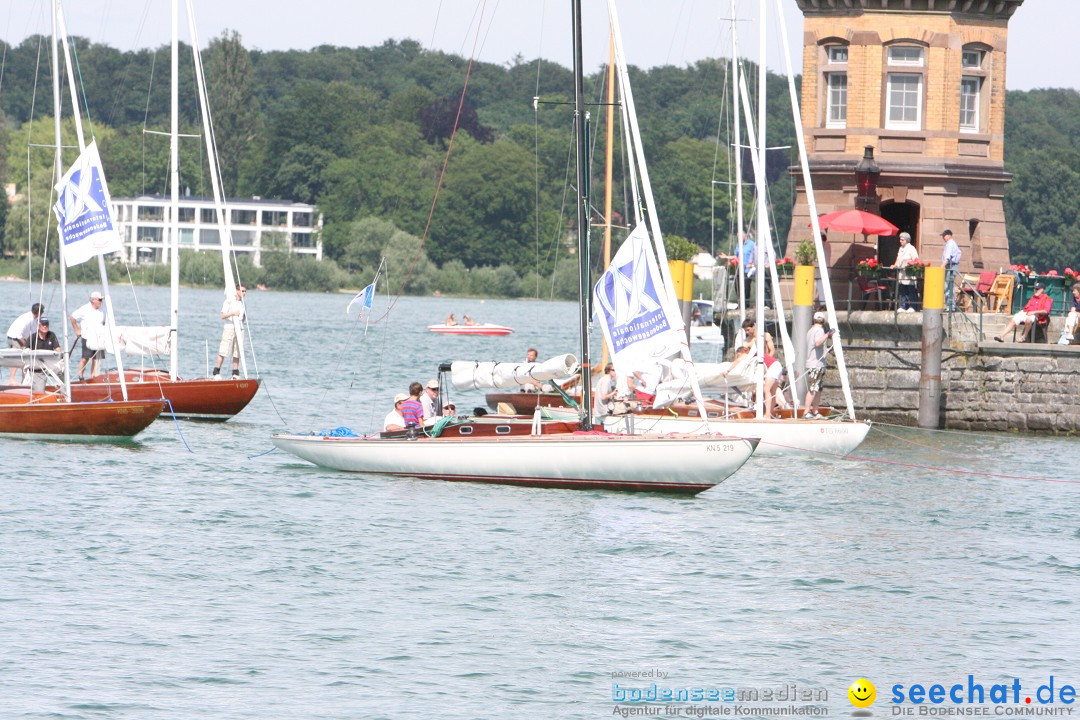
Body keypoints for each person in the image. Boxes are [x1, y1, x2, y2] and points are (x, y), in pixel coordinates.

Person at [802, 311, 835, 419]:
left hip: (818, 363)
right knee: (813, 388)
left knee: (818, 389)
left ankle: (815, 411)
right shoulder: (819, 330)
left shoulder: (811, 330)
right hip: (815, 364)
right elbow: (817, 343)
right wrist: (828, 334)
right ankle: (807, 411)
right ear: (823, 321)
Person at [212, 285, 247, 379]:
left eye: (245, 291)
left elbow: (243, 317)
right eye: (242, 291)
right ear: (237, 291)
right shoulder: (229, 301)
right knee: (224, 350)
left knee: (237, 351)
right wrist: (233, 313)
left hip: (240, 329)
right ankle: (216, 371)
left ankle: (235, 373)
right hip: (229, 328)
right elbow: (222, 316)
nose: (244, 293)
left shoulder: (242, 303)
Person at [70, 290, 106, 380]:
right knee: (85, 358)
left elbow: (105, 322)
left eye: (101, 300)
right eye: (100, 300)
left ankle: (94, 376)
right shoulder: (85, 309)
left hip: (99, 337)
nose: (101, 302)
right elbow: (72, 317)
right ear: (93, 300)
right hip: (88, 337)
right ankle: (80, 375)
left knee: (96, 358)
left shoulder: (103, 310)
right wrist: (77, 330)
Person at [6, 302, 44, 383]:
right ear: (39, 313)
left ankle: (24, 381)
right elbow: (18, 335)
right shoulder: (27, 319)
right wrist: (26, 345)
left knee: (25, 360)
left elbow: (34, 333)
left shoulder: (33, 319)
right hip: (14, 338)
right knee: (17, 358)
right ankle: (11, 380)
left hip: (18, 338)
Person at [25, 317, 61, 392]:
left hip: (50, 366)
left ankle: (66, 392)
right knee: (39, 391)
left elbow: (58, 349)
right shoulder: (33, 337)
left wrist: (61, 359)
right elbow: (25, 351)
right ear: (38, 326)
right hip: (38, 369)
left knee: (64, 373)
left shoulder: (51, 335)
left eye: (46, 324)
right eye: (43, 325)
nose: (45, 326)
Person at [891, 232, 920, 312]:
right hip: (902, 273)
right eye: (900, 239)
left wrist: (908, 266)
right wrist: (894, 265)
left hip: (909, 273)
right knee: (903, 289)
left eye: (902, 240)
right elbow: (898, 258)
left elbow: (916, 260)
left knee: (911, 289)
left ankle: (913, 306)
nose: (900, 241)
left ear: (907, 240)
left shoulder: (911, 248)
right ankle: (903, 306)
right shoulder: (900, 248)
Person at [940, 229, 961, 312]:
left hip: (950, 267)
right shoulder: (954, 243)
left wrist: (942, 266)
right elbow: (959, 253)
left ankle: (950, 306)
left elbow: (947, 257)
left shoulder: (950, 244)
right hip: (953, 266)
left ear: (948, 235)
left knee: (947, 286)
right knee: (950, 286)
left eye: (944, 235)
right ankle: (951, 306)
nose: (943, 237)